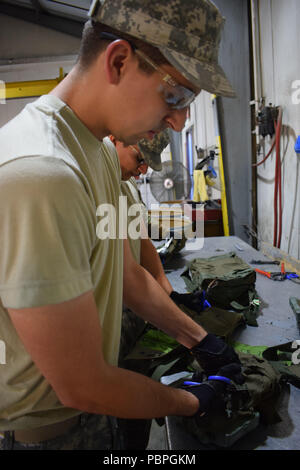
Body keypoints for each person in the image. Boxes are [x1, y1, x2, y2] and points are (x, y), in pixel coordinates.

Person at [0, 0, 241, 451]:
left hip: (93, 410)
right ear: (118, 61)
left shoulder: (94, 151)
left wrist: (199, 338)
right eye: (176, 97)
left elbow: (127, 274)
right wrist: (190, 400)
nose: (177, 120)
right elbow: (82, 384)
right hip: (49, 434)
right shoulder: (41, 172)